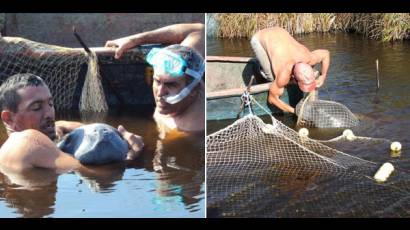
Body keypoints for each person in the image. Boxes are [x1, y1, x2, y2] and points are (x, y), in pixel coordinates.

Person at [0, 73, 144, 172]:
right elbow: (98, 173)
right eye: (37, 107)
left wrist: (61, 125)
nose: (49, 114)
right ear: (8, 118)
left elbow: (82, 128)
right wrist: (132, 155)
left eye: (50, 104)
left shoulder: (11, 146)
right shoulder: (28, 139)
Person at [105, 23, 205, 135]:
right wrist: (134, 40)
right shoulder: (182, 62)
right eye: (157, 81)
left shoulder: (192, 128)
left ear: (193, 90)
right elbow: (200, 30)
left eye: (171, 85)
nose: (160, 93)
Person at [250, 27, 331, 114]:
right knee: (271, 78)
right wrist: (295, 111)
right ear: (294, 77)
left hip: (280, 32)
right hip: (260, 38)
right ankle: (257, 69)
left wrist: (323, 76)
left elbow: (326, 54)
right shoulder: (283, 74)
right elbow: (272, 99)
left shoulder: (309, 58)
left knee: (279, 81)